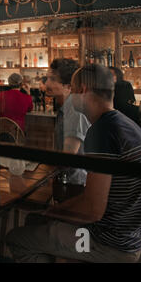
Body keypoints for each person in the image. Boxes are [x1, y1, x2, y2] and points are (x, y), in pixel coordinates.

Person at [6, 64, 141, 263]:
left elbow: (92, 209)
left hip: (106, 243)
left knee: (18, 238)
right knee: (37, 220)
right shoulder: (124, 124)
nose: (69, 94)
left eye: (72, 89)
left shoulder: (102, 132)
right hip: (130, 236)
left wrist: (54, 212)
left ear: (83, 90)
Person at [46, 58, 91, 186]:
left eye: (53, 79)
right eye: (47, 78)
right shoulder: (65, 107)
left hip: (75, 184)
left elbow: (67, 157)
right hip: (67, 179)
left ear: (69, 87)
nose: (47, 84)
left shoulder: (75, 111)